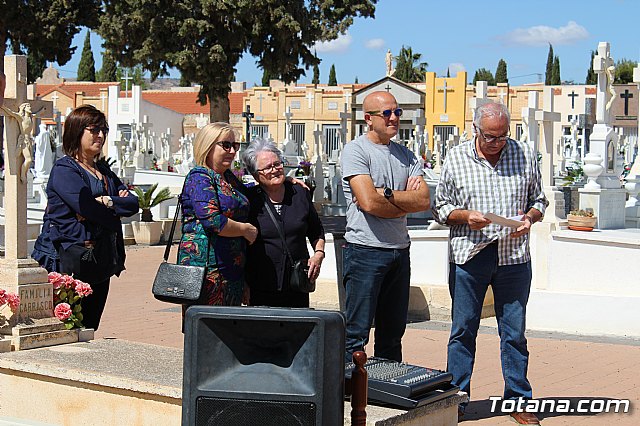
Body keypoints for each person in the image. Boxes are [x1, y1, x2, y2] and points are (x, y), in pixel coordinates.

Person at [433, 102, 548, 425]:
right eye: (490, 137)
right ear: (475, 130)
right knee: (463, 330)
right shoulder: (457, 158)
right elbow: (440, 208)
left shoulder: (523, 154)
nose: (497, 143)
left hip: (513, 255)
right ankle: (455, 399)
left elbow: (539, 200)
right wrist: (465, 216)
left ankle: (518, 399)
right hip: (470, 254)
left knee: (514, 332)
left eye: (502, 136)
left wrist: (529, 218)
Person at [340, 91, 430, 363]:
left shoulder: (406, 155)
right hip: (365, 251)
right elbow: (368, 203)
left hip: (399, 251)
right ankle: (348, 390)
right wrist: (404, 201)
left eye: (397, 112)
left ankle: (385, 388)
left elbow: (423, 200)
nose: (394, 118)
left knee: (392, 334)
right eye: (386, 113)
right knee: (356, 333)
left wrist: (387, 193)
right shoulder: (356, 151)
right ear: (368, 119)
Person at [32, 105, 138, 330]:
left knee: (89, 328)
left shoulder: (104, 171)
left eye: (104, 130)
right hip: (68, 262)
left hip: (100, 262)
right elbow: (87, 206)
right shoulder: (64, 170)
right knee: (67, 329)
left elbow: (133, 204)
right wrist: (109, 211)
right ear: (76, 131)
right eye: (94, 129)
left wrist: (107, 201)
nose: (100, 135)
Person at [178, 122, 257, 307]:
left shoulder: (228, 178)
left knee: (230, 330)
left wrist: (282, 179)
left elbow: (251, 195)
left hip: (231, 270)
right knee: (207, 331)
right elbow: (213, 221)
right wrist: (245, 230)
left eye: (234, 146)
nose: (232, 151)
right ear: (208, 145)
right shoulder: (200, 176)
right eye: (226, 145)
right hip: (206, 273)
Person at [242, 139, 325, 308]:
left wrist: (318, 254)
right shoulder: (249, 200)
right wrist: (243, 282)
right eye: (268, 167)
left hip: (297, 284)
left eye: (277, 164)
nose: (275, 170)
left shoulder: (300, 194)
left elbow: (316, 231)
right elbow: (239, 245)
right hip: (261, 286)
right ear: (256, 174)